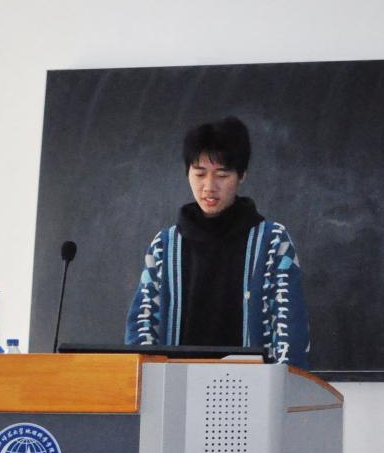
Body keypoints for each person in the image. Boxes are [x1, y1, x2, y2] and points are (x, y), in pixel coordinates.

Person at [124, 116, 310, 367]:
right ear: (187, 173)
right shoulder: (164, 247)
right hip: (174, 388)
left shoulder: (272, 243)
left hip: (252, 387)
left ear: (241, 175)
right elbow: (141, 329)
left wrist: (280, 384)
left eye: (222, 175)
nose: (209, 186)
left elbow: (291, 333)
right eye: (200, 174)